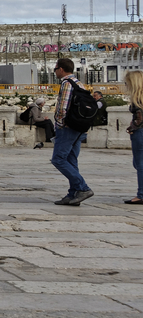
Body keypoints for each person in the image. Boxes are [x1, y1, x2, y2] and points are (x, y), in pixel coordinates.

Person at [51, 57, 93, 206]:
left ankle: (83, 188)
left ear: (61, 69)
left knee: (58, 159)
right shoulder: (79, 83)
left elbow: (62, 107)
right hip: (79, 127)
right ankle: (73, 194)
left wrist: (60, 124)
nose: (54, 72)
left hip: (68, 128)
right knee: (71, 160)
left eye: (55, 69)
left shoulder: (66, 84)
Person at [124, 71, 143, 205]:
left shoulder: (138, 99)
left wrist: (133, 127)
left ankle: (141, 194)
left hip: (140, 133)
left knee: (140, 163)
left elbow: (139, 119)